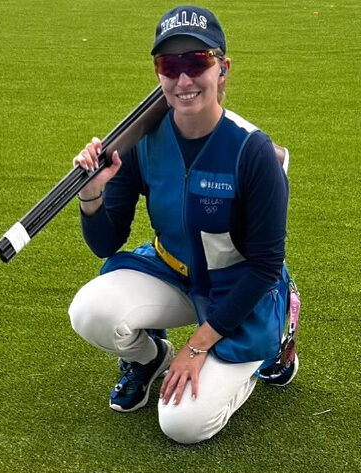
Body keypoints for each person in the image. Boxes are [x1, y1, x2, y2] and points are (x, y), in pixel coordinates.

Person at [68, 5, 296, 444]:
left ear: (223, 68)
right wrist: (91, 193)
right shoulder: (142, 141)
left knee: (182, 424)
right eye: (169, 65)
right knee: (90, 312)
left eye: (197, 62)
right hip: (172, 270)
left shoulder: (254, 151)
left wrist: (198, 346)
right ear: (158, 74)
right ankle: (149, 357)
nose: (183, 79)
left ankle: (275, 342)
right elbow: (106, 242)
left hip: (240, 287)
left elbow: (265, 264)